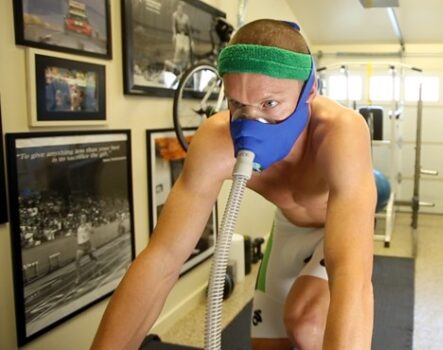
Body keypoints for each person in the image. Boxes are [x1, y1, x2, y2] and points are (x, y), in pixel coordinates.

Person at [92, 19, 376, 350]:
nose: (251, 121)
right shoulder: (215, 140)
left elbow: (351, 278)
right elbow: (162, 259)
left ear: (310, 91)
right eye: (238, 104)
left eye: (270, 104)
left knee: (307, 323)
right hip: (286, 231)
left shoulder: (340, 133)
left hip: (337, 230)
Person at [75, 214, 98, 284]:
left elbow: (92, 232)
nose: (83, 219)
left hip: (87, 245)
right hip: (80, 246)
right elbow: (79, 235)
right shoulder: (78, 227)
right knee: (77, 261)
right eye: (82, 218)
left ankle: (96, 260)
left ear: (86, 219)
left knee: (91, 257)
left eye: (84, 218)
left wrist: (89, 228)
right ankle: (79, 277)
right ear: (80, 219)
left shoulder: (87, 225)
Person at [171, 2, 191, 72]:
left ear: (183, 9)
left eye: (181, 9)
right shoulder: (174, 15)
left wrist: (191, 40)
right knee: (177, 51)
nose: (179, 10)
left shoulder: (186, 17)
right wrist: (174, 35)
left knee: (186, 52)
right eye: (178, 9)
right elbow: (173, 26)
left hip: (185, 37)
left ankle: (185, 70)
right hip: (179, 35)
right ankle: (175, 70)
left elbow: (189, 29)